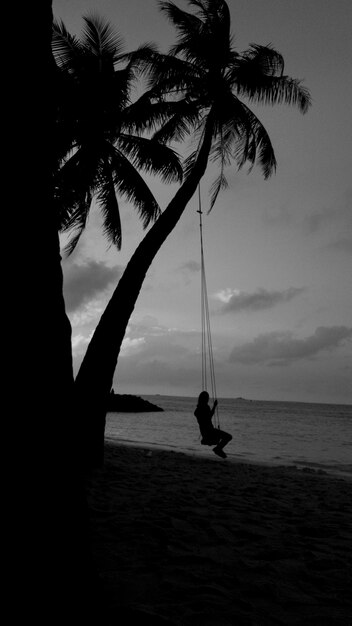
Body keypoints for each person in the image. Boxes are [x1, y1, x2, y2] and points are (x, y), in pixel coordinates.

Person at [194, 391, 232, 459]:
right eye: (207, 398)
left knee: (217, 439)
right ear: (205, 399)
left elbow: (205, 419)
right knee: (228, 437)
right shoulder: (206, 407)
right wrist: (214, 406)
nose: (208, 399)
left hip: (205, 434)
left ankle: (217, 448)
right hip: (210, 432)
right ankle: (218, 449)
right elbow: (209, 417)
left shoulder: (197, 410)